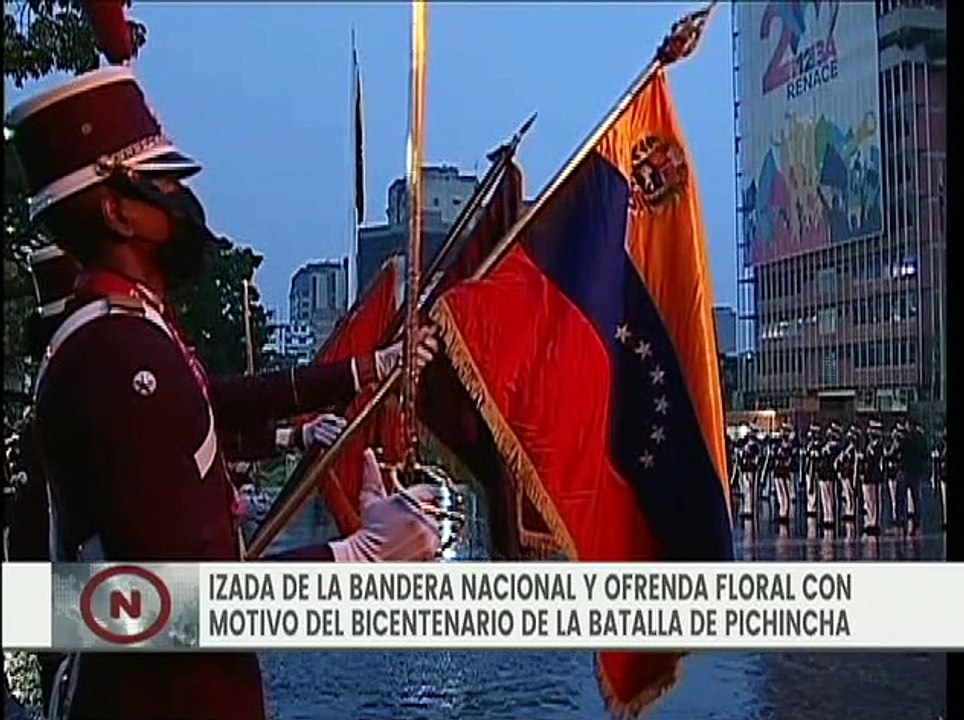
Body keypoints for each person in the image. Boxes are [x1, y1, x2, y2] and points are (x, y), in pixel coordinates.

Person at [6, 65, 442, 720]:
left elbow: (216, 401)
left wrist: (358, 375)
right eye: (163, 185)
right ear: (117, 209)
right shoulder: (117, 356)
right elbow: (177, 606)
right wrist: (356, 561)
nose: (184, 201)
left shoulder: (132, 334)